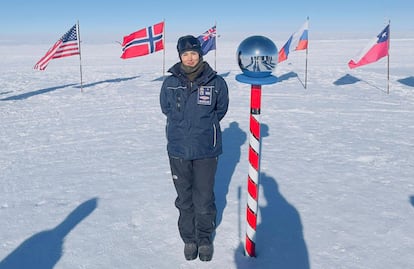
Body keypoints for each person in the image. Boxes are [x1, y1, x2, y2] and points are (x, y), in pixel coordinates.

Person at [159, 35, 229, 262]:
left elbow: (220, 111)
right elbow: (166, 108)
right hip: (178, 150)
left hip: (206, 151)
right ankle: (189, 239)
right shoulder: (170, 83)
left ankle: (205, 238)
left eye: (194, 53)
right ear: (180, 56)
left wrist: (203, 128)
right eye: (185, 54)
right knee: (184, 199)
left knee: (204, 198)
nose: (190, 58)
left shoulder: (216, 83)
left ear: (201, 54)